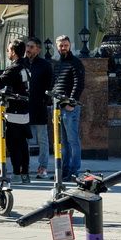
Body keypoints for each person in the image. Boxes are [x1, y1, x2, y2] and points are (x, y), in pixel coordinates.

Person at [0, 40, 32, 181]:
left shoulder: (14, 67)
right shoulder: (26, 66)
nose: (7, 53)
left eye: (8, 50)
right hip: (24, 111)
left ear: (13, 52)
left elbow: (0, 82)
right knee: (23, 144)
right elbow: (10, 80)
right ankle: (25, 173)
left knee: (13, 145)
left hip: (13, 112)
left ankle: (16, 174)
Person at [50, 34, 85, 180]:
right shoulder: (58, 63)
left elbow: (79, 84)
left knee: (72, 141)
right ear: (57, 47)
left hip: (69, 108)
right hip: (57, 107)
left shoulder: (75, 62)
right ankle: (63, 172)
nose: (63, 48)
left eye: (65, 45)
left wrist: (72, 103)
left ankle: (74, 171)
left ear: (69, 45)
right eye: (60, 45)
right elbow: (56, 84)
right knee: (63, 142)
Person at [24, 37, 53, 179]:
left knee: (42, 138)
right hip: (23, 106)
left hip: (39, 105)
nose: (28, 49)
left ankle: (43, 167)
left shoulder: (45, 65)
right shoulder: (22, 64)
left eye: (31, 47)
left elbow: (50, 85)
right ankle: (25, 166)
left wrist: (45, 101)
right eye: (27, 46)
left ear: (38, 49)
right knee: (25, 138)